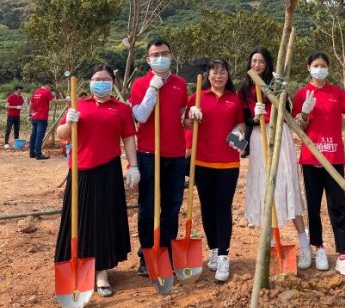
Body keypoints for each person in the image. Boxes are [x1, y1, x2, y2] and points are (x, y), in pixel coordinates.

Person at [292, 52, 345, 279]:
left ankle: (343, 256)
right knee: (313, 206)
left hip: (334, 159)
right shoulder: (302, 94)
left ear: (328, 69)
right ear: (308, 68)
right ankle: (318, 248)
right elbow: (297, 128)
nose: (319, 69)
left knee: (337, 208)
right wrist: (304, 112)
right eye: (315, 65)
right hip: (311, 160)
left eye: (323, 66)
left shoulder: (336, 93)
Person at [54, 65, 139, 297]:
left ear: (112, 82)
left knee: (102, 221)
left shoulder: (121, 109)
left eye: (105, 79)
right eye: (96, 79)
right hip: (80, 169)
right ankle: (77, 266)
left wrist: (134, 165)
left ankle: (101, 271)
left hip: (108, 169)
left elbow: (129, 138)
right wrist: (68, 122)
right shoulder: (78, 105)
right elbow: (61, 136)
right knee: (78, 220)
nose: (100, 82)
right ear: (89, 82)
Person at [239, 47, 312, 270]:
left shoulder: (278, 86)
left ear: (268, 64)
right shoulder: (245, 90)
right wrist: (254, 117)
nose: (257, 65)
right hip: (259, 138)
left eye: (261, 61)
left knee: (287, 185)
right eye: (254, 61)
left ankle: (304, 241)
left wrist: (276, 101)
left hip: (279, 137)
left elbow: (287, 115)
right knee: (264, 186)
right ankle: (269, 241)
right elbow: (243, 119)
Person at [129, 38, 188, 276]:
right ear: (148, 59)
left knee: (172, 207)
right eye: (155, 55)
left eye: (164, 53)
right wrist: (153, 89)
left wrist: (192, 114)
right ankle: (147, 254)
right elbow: (140, 117)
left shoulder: (181, 84)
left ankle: (166, 253)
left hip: (175, 154)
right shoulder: (140, 84)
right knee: (147, 207)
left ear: (171, 56)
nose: (160, 58)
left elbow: (182, 116)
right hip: (148, 154)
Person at [186, 58, 245, 282]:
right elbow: (186, 125)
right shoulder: (197, 98)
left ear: (228, 75)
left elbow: (241, 122)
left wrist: (239, 132)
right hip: (202, 162)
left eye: (222, 72)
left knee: (223, 208)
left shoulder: (234, 99)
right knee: (207, 208)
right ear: (208, 75)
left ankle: (223, 255)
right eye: (214, 72)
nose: (218, 76)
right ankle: (212, 249)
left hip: (228, 163)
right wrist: (192, 114)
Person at [28, 81, 67, 160]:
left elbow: (30, 104)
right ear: (47, 85)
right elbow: (55, 101)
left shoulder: (36, 92)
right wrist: (66, 100)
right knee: (39, 136)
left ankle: (32, 153)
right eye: (50, 87)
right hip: (42, 118)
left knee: (33, 135)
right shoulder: (46, 92)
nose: (50, 89)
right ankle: (38, 154)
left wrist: (29, 114)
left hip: (34, 117)